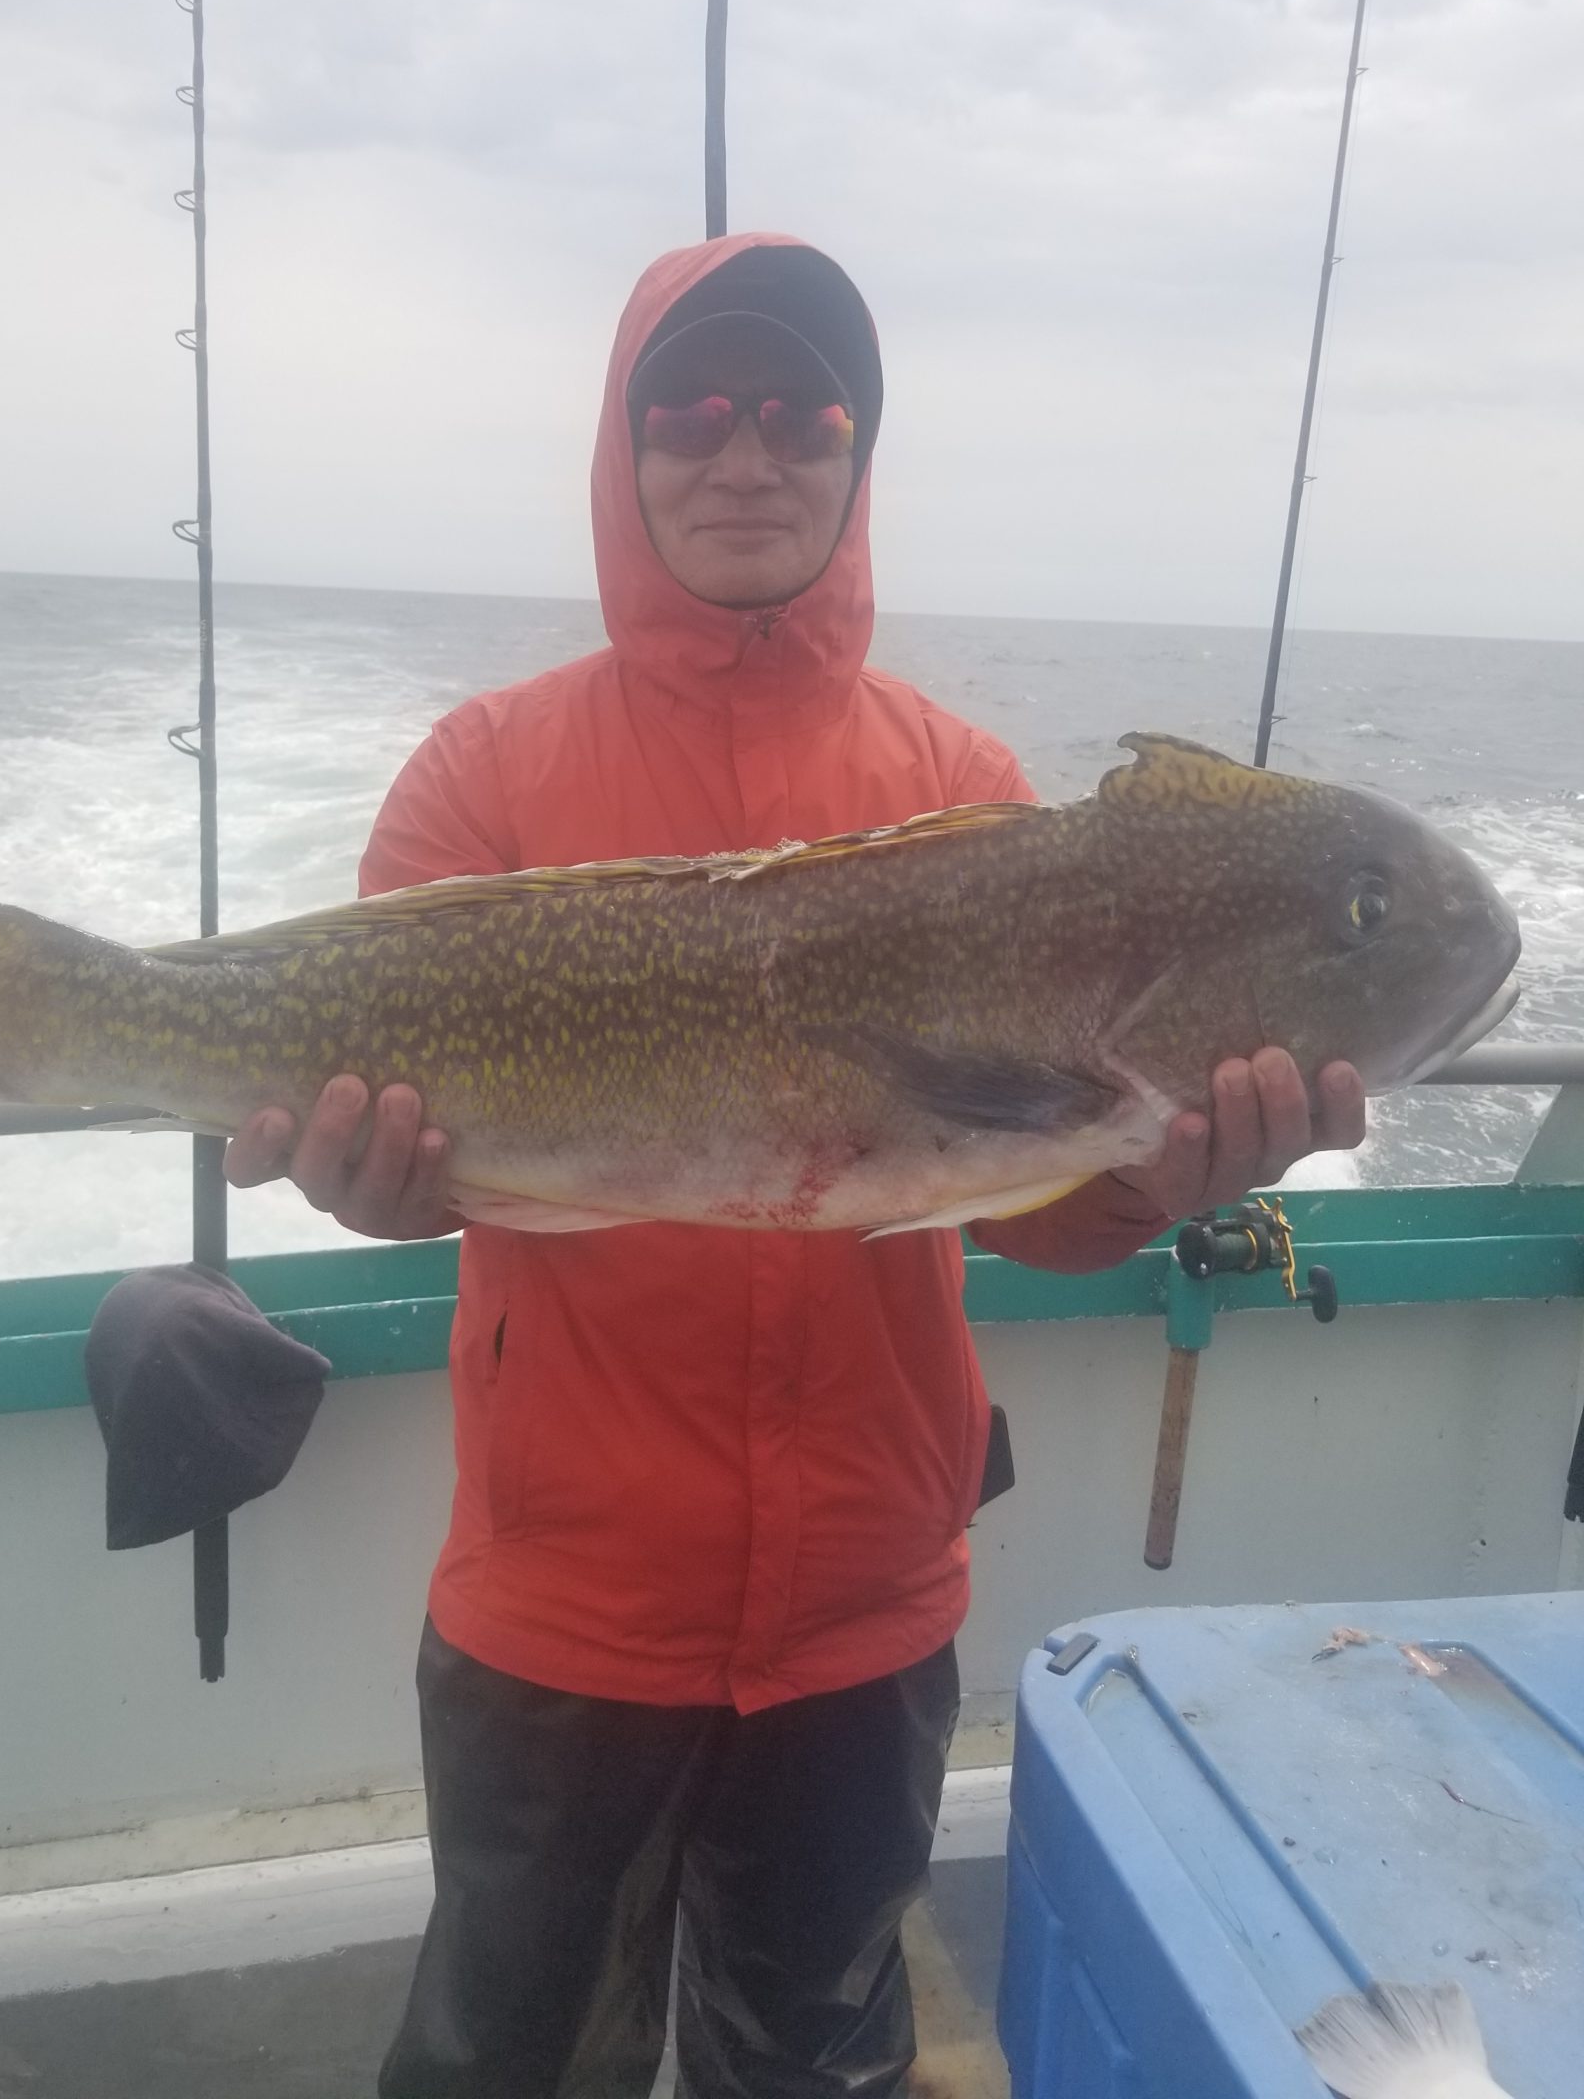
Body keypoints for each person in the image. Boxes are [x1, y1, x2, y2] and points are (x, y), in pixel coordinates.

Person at [226, 234, 1366, 2099]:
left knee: (820, 2062)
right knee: (512, 2064)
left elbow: (1048, 1211)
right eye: (689, 409)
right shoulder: (485, 773)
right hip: (565, 1598)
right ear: (625, 446)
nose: (742, 454)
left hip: (862, 1600)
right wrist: (378, 1179)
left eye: (800, 412)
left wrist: (1170, 1165)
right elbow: (429, 1147)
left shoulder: (976, 797)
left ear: (854, 457)